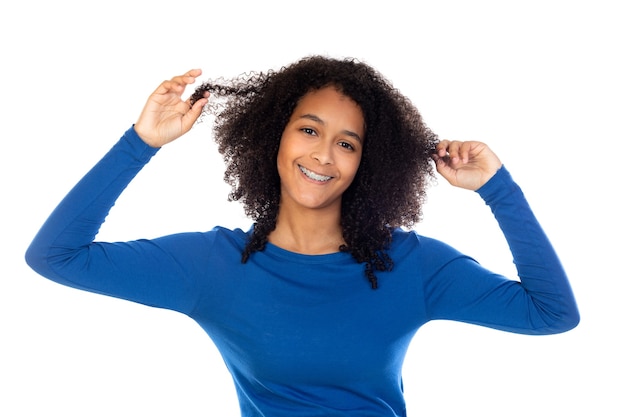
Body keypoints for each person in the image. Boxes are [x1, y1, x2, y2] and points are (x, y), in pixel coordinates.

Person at [25, 56, 579, 416]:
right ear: (274, 137)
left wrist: (497, 189)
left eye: (347, 142)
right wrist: (141, 142)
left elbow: (552, 313)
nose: (322, 153)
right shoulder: (213, 265)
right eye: (309, 129)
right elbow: (55, 256)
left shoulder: (412, 266)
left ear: (369, 162)